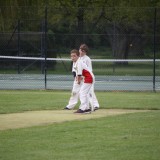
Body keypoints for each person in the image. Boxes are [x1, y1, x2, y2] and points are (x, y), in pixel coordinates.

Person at [79, 44, 99, 110]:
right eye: (80, 50)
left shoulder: (87, 59)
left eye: (83, 51)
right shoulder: (79, 58)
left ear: (85, 52)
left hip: (88, 77)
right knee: (83, 92)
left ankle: (95, 105)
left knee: (90, 91)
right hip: (82, 77)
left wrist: (84, 76)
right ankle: (87, 106)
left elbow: (89, 69)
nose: (81, 52)